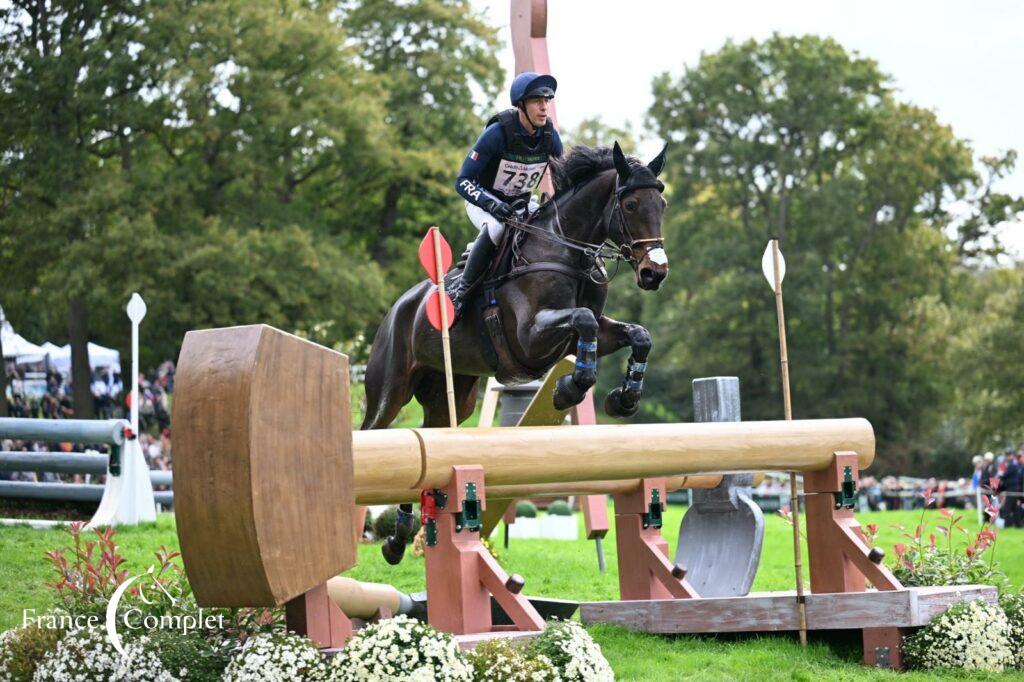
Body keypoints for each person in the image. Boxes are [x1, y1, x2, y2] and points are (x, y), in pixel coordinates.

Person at [448, 71, 564, 320]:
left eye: (547, 101)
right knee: (497, 229)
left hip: (521, 204)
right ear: (521, 105)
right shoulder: (497, 133)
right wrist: (491, 203)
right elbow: (462, 181)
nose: (544, 108)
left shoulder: (549, 137)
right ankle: (460, 294)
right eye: (537, 101)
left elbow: (563, 179)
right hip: (483, 202)